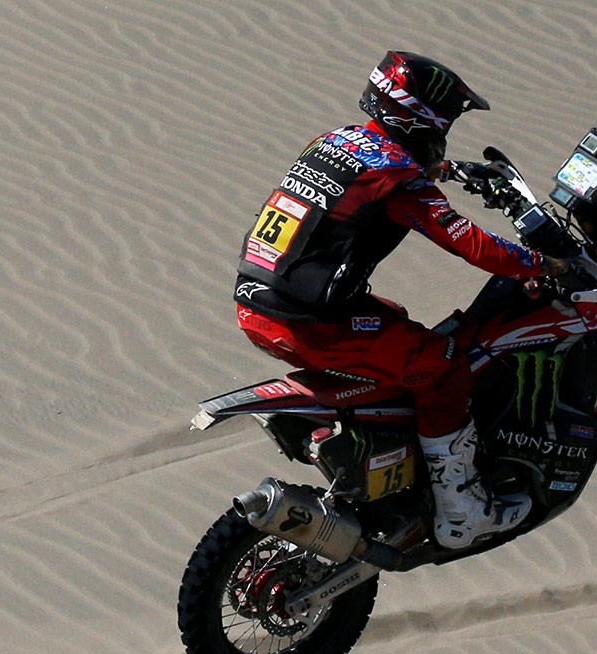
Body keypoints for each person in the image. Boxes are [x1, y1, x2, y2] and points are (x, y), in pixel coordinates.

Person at [234, 51, 568, 550]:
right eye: (447, 120)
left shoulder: (337, 142)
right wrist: (542, 265)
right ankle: (461, 509)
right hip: (310, 324)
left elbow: (384, 177)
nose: (447, 130)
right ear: (418, 117)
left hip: (259, 302)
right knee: (447, 365)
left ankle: (399, 465)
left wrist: (451, 170)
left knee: (395, 321)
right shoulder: (396, 178)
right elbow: (467, 241)